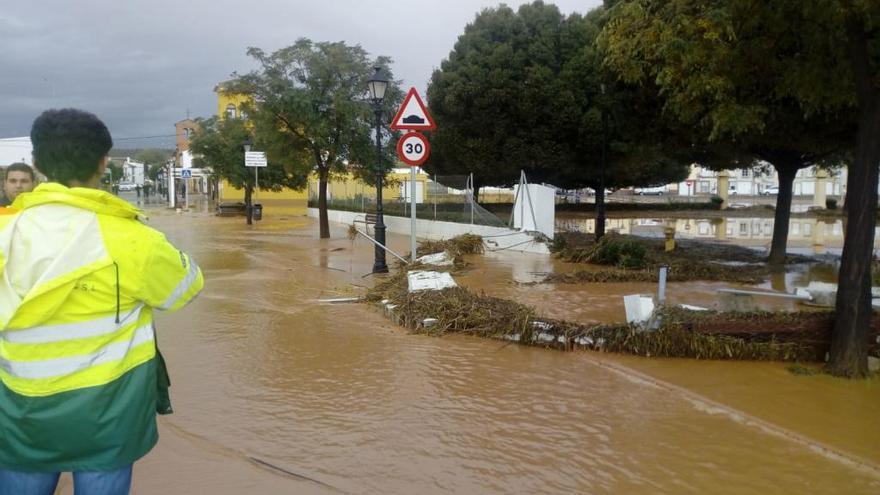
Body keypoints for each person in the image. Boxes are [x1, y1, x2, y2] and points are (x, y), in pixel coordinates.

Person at [0, 109, 204, 494]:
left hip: (21, 412)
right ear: (103, 163)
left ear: (37, 164)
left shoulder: (6, 230)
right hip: (109, 414)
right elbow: (187, 286)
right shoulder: (132, 239)